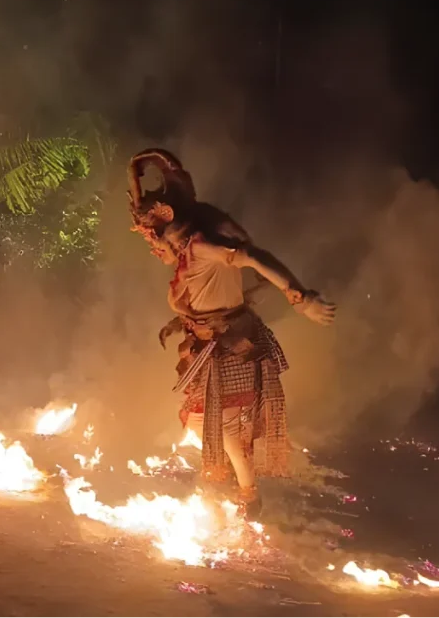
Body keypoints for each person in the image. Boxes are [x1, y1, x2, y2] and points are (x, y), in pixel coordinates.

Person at [126, 148, 336, 515]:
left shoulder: (203, 247)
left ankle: (249, 496)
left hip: (231, 348)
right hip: (207, 347)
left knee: (221, 430)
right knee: (201, 423)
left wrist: (299, 298)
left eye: (150, 240)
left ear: (165, 229)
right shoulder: (188, 255)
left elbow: (253, 257)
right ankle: (239, 485)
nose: (151, 249)